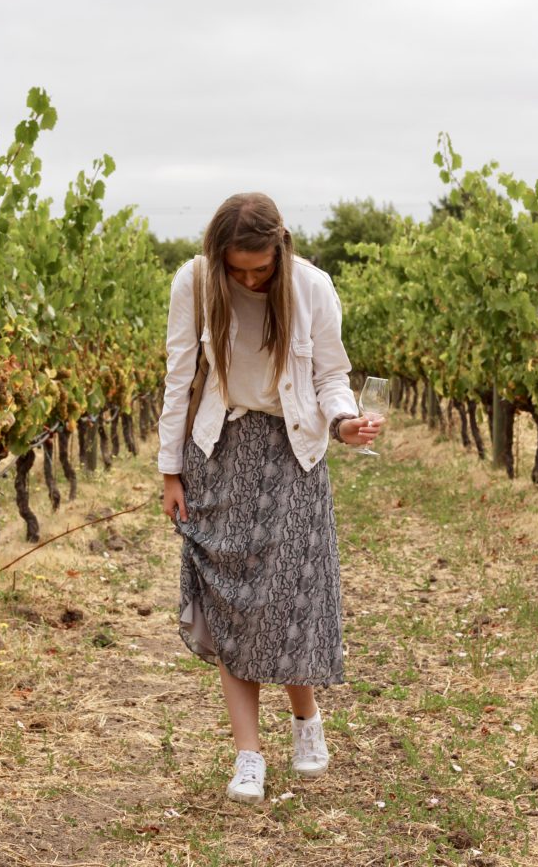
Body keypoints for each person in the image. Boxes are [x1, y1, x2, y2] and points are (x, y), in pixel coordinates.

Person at [158, 193, 382, 804]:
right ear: (218, 255)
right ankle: (247, 754)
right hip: (219, 451)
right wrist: (170, 470)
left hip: (293, 451)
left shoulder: (312, 287)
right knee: (232, 600)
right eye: (239, 269)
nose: (251, 278)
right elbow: (180, 375)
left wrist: (345, 422)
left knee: (290, 595)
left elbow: (331, 375)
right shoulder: (196, 281)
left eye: (261, 268)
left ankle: (306, 720)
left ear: (281, 251)